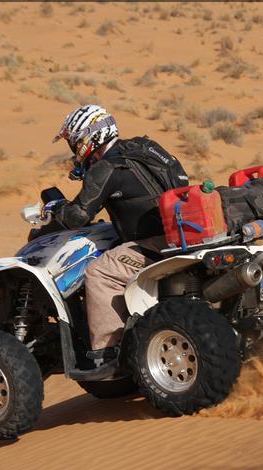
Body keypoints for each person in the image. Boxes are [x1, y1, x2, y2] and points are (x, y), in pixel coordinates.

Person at [38, 104, 188, 366]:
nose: (74, 149)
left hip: (155, 244)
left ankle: (108, 351)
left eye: (74, 142)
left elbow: (78, 216)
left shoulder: (107, 167)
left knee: (99, 272)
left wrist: (56, 208)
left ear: (87, 138)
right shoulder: (146, 148)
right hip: (184, 232)